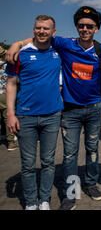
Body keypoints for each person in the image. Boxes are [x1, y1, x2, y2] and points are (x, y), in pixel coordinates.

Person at [6, 6, 101, 210]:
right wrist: (18, 43)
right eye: (81, 25)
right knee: (69, 154)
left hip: (94, 108)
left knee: (92, 149)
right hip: (70, 110)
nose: (85, 29)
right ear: (77, 27)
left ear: (96, 29)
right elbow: (41, 37)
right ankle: (71, 193)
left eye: (89, 26)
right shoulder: (65, 44)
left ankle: (91, 183)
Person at [6, 15, 63, 210]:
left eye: (46, 29)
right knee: (28, 164)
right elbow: (11, 84)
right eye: (38, 28)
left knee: (48, 162)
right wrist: (10, 114)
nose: (42, 31)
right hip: (26, 116)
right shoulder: (20, 54)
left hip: (52, 115)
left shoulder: (59, 51)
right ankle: (31, 202)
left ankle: (44, 199)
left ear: (53, 32)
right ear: (33, 30)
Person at [0, 46, 17, 151]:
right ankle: (11, 142)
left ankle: (2, 134)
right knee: (7, 117)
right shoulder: (7, 65)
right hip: (4, 93)